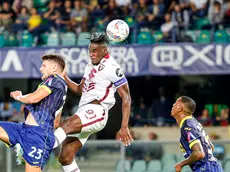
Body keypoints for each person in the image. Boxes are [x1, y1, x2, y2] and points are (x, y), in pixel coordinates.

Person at [52, 32, 133, 172]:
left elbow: (126, 96)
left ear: (105, 50)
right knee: (65, 157)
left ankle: (38, 146)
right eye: (90, 50)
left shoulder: (112, 67)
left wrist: (124, 126)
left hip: (97, 112)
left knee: (67, 123)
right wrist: (64, 76)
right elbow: (79, 90)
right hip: (83, 112)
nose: (91, 54)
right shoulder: (90, 65)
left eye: (95, 50)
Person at [0, 54, 67, 172]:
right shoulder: (58, 89)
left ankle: (22, 147)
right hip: (24, 129)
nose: (41, 69)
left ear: (54, 68)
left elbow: (33, 98)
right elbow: (56, 122)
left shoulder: (55, 79)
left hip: (38, 135)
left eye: (44, 65)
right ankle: (20, 146)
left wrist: (20, 97)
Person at [171, 96, 223, 172]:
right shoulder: (193, 122)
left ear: (180, 109)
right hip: (213, 167)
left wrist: (180, 164)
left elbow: (199, 153)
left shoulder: (187, 126)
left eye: (175, 103)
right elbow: (211, 147)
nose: (173, 105)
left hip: (205, 169)